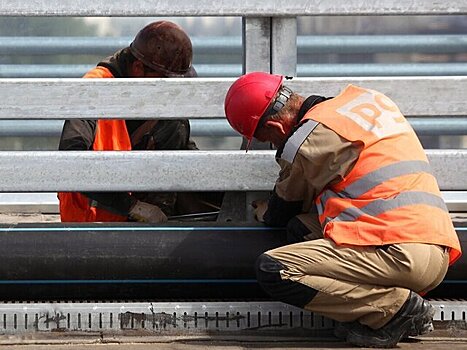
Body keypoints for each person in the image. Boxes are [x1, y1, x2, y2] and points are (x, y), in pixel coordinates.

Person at [224, 71, 462, 348]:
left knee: (274, 268)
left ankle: (393, 309)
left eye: (268, 140)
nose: (274, 145)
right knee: (301, 227)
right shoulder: (367, 101)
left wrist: (261, 210)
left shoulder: (308, 140)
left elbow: (279, 211)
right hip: (438, 249)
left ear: (276, 129)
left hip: (398, 254)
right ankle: (382, 308)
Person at [58, 21, 198, 223]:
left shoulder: (156, 104)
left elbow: (184, 153)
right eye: (163, 82)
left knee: (174, 122)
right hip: (91, 222)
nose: (166, 92)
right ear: (138, 68)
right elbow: (69, 161)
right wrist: (133, 207)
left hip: (133, 215)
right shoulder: (95, 88)